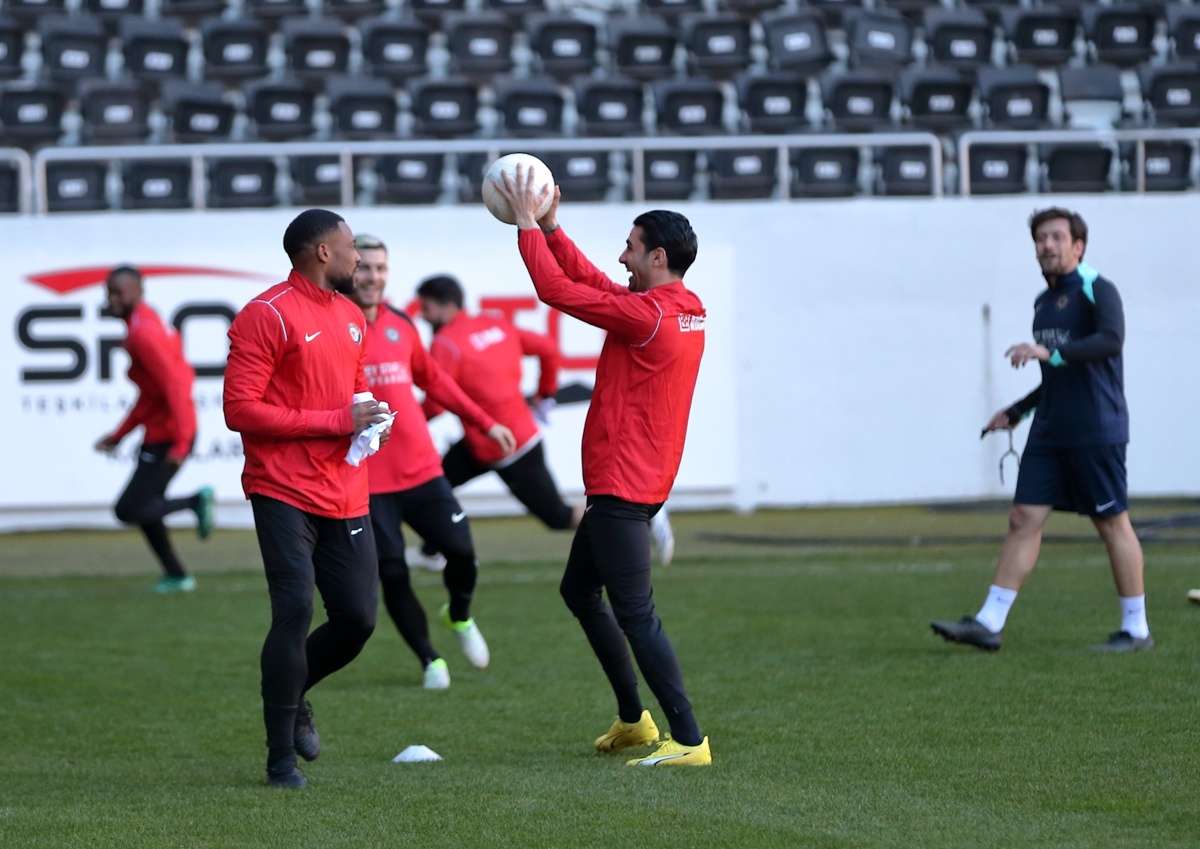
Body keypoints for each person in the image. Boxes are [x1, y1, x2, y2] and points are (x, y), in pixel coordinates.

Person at [490, 167, 711, 766]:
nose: (621, 256)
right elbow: (593, 283)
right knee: (580, 591)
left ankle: (690, 741)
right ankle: (635, 721)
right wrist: (555, 230)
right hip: (635, 479)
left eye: (632, 248)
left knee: (636, 615)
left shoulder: (650, 316)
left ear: (658, 256)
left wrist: (528, 226)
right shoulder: (678, 306)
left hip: (624, 484)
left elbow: (558, 293)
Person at [932, 207, 1151, 653]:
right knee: (1023, 519)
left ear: (1078, 245)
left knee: (1111, 523)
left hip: (1096, 428)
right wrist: (1017, 411)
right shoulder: (1043, 301)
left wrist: (1048, 354)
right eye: (1040, 239)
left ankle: (1136, 630)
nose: (1046, 245)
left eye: (1055, 237)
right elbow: (1054, 372)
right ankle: (988, 622)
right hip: (1050, 431)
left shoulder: (1097, 289)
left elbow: (1110, 341)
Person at [224, 209, 391, 789]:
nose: (359, 261)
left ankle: (293, 692)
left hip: (344, 489)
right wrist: (334, 419)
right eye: (351, 250)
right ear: (323, 253)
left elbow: (352, 393)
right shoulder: (264, 315)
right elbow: (239, 410)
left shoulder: (349, 316)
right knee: (294, 609)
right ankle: (279, 763)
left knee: (359, 620)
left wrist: (370, 421)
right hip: (281, 488)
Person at [414, 274, 677, 569]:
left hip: (509, 449)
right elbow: (548, 349)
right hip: (495, 440)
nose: (423, 316)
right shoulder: (493, 324)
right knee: (431, 484)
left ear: (447, 306)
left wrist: (402, 421)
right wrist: (545, 394)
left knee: (558, 517)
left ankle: (640, 516)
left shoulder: (446, 344)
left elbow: (436, 404)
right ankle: (433, 551)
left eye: (426, 308)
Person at [350, 234, 516, 690]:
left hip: (421, 469)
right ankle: (429, 659)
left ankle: (459, 615)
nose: (373, 276)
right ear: (348, 269)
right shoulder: (331, 326)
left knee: (462, 552)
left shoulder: (400, 324)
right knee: (393, 573)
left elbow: (436, 382)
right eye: (364, 267)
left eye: (380, 268)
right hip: (367, 480)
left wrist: (483, 422)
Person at [94, 265, 213, 594]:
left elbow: (176, 386)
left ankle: (194, 501)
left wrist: (181, 441)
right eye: (109, 293)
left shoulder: (143, 333)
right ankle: (176, 575)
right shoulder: (142, 323)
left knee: (128, 509)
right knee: (147, 509)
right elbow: (152, 394)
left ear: (136, 292)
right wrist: (120, 434)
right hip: (164, 431)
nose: (111, 299)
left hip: (170, 435)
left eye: (117, 292)